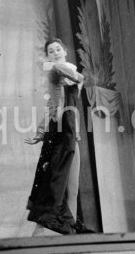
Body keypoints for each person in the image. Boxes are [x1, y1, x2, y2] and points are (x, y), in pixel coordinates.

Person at [25, 38, 90, 235]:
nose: (55, 53)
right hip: (60, 135)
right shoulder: (57, 71)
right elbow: (52, 106)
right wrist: (41, 132)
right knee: (53, 186)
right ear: (48, 56)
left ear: (65, 51)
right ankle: (38, 235)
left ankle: (69, 232)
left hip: (71, 135)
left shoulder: (64, 70)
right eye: (51, 51)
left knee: (72, 187)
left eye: (58, 49)